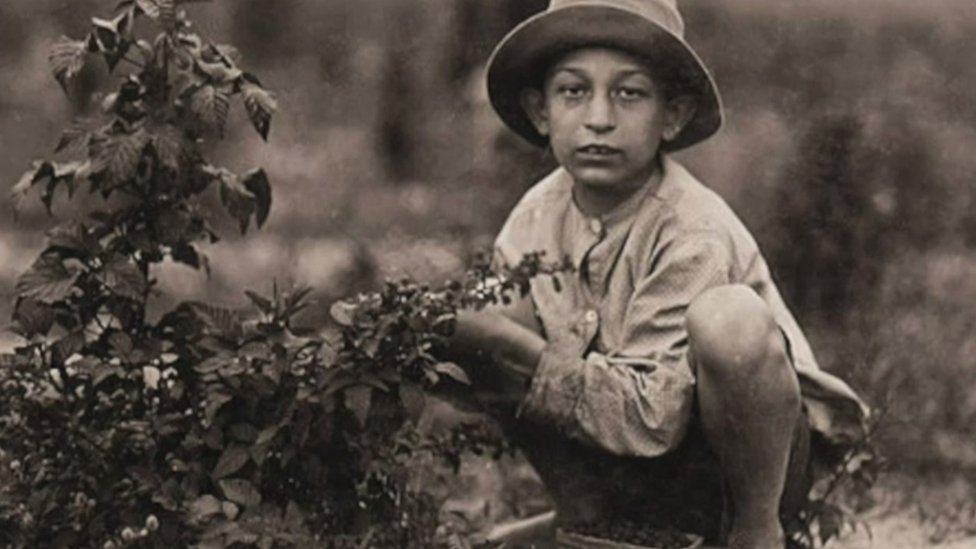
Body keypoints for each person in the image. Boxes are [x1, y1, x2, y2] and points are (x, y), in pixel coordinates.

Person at [445, 1, 871, 548]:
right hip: (621, 464)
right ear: (540, 111)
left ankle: (753, 533)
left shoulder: (691, 228)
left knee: (731, 321)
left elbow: (653, 422)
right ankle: (584, 515)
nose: (599, 118)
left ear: (672, 115)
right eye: (573, 91)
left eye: (629, 93)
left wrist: (514, 351)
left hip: (735, 468)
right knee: (488, 311)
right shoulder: (535, 216)